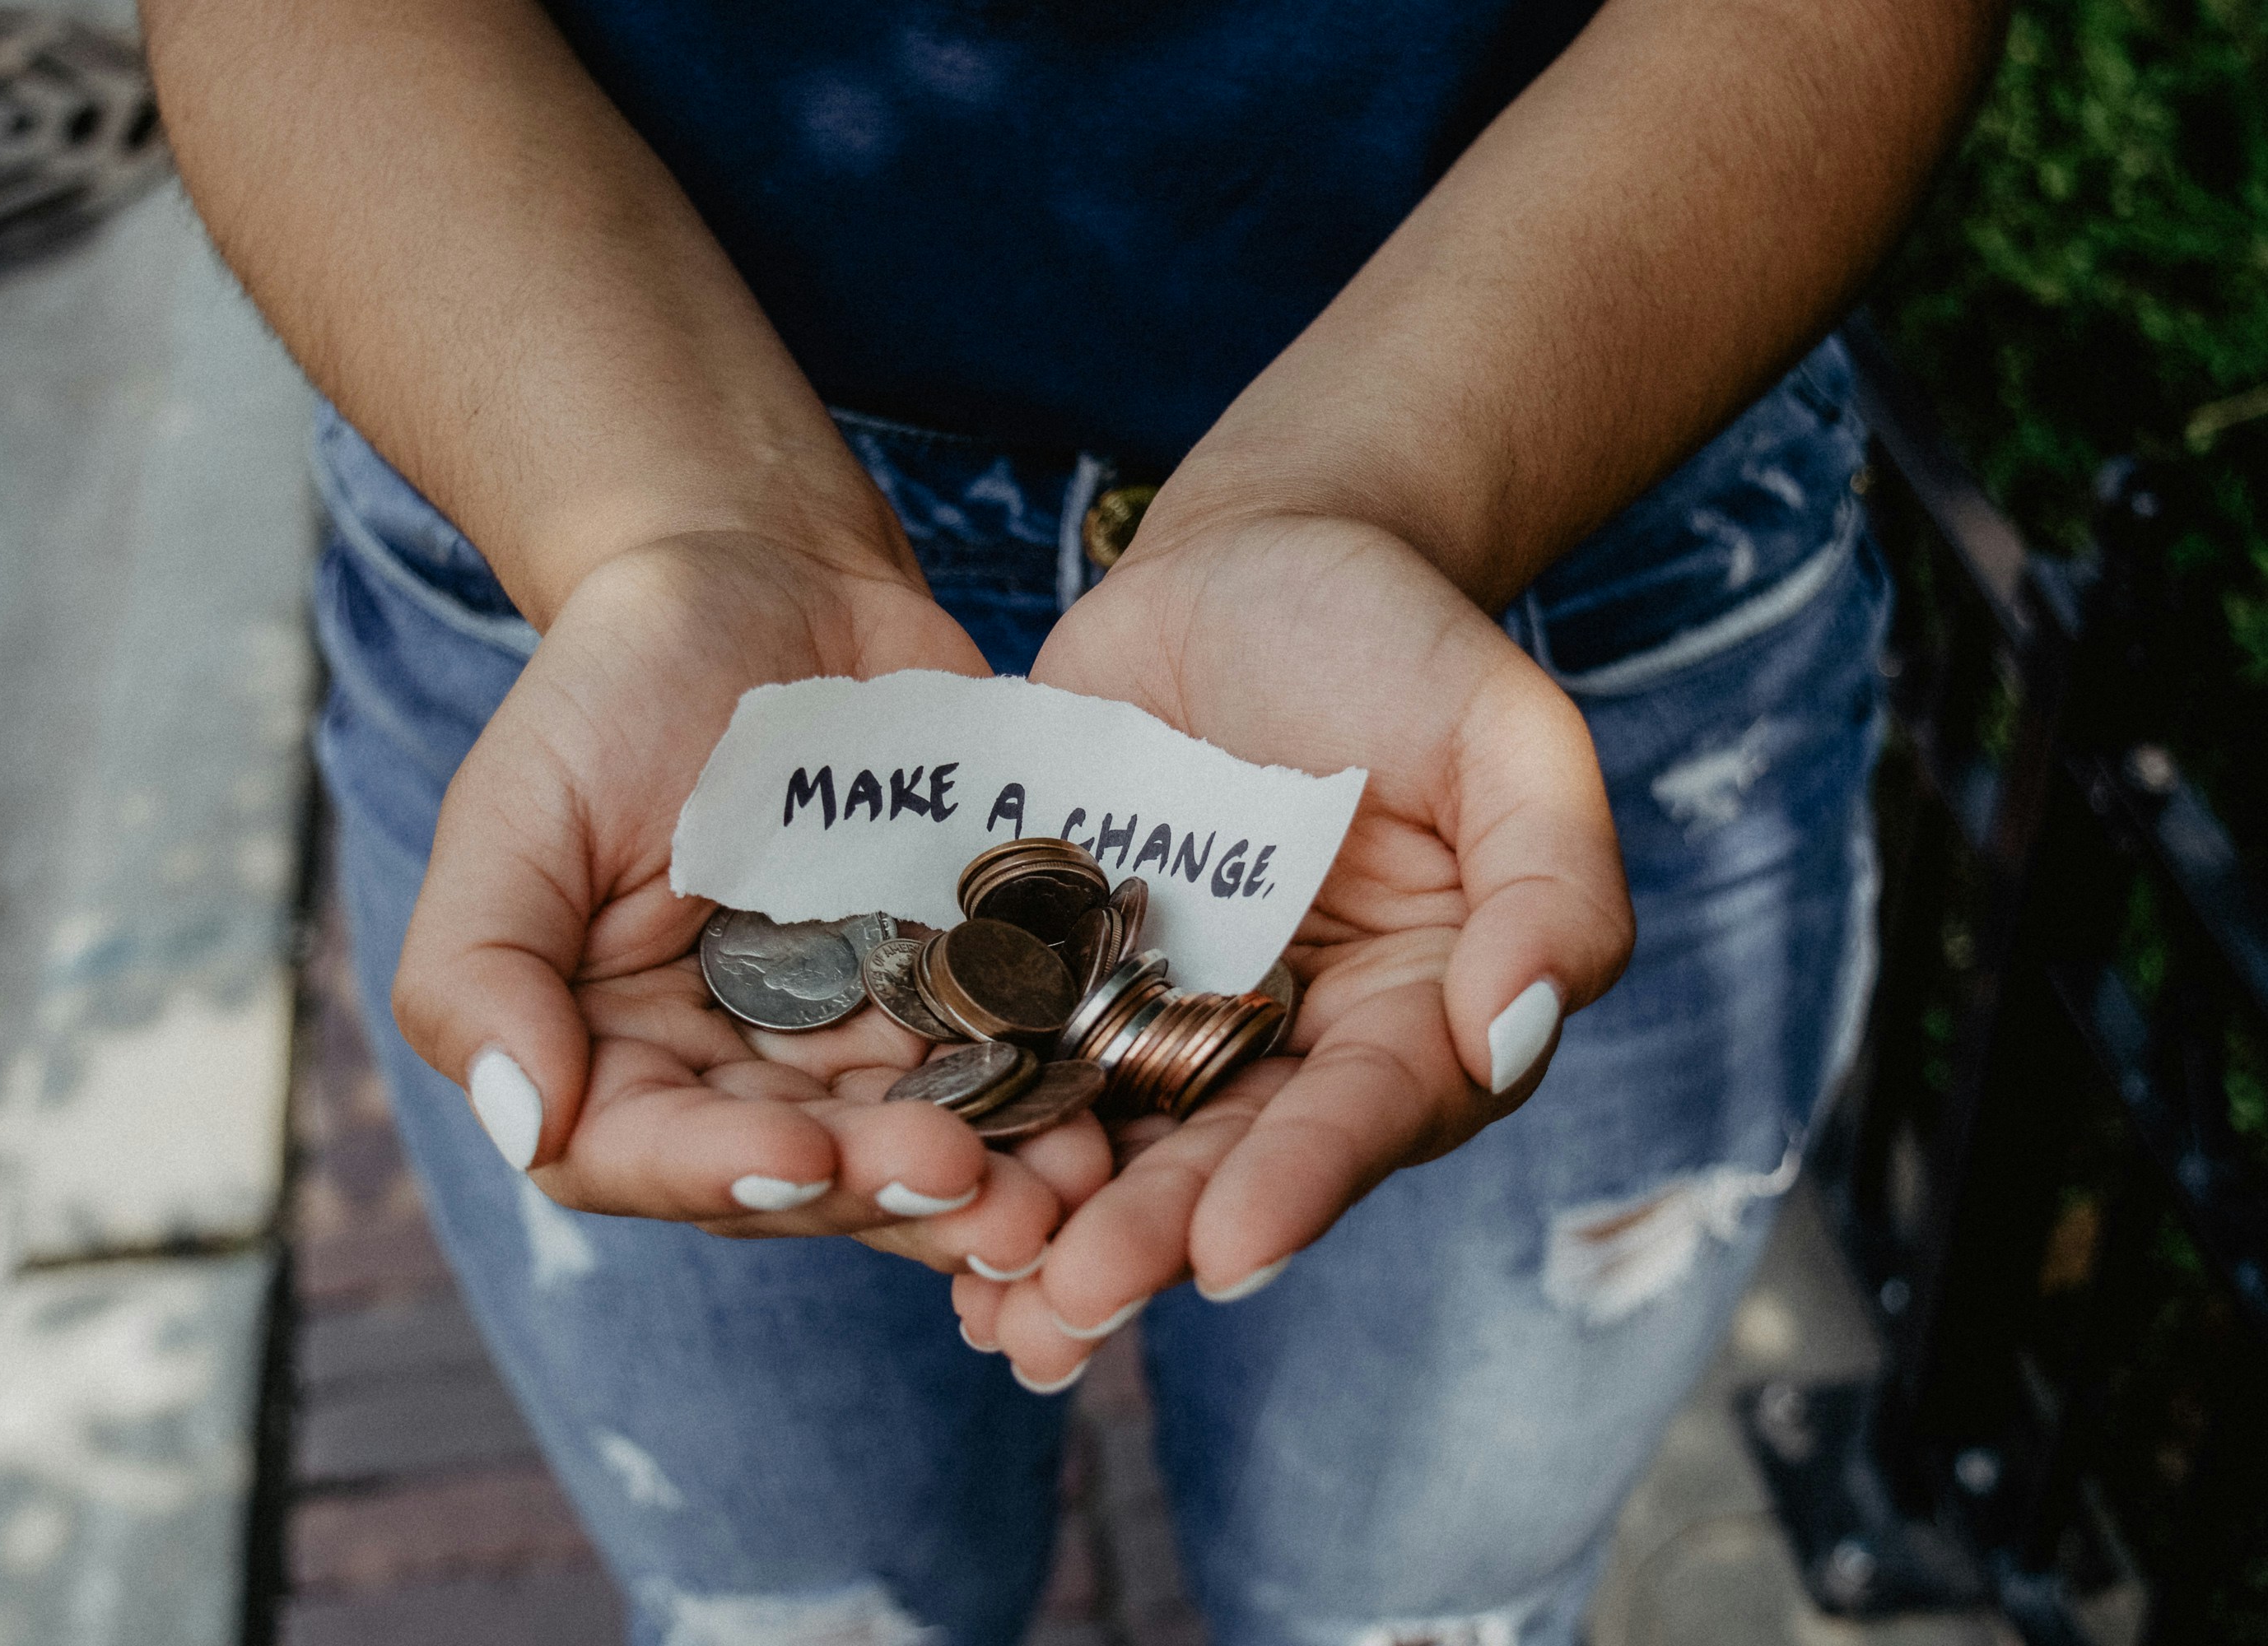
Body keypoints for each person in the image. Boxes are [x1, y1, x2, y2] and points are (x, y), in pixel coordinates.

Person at [145, 1, 2004, 1639]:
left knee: (1424, 1626)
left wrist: (1368, 495)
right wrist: (663, 537)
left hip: (1564, 505)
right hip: (581, 531)